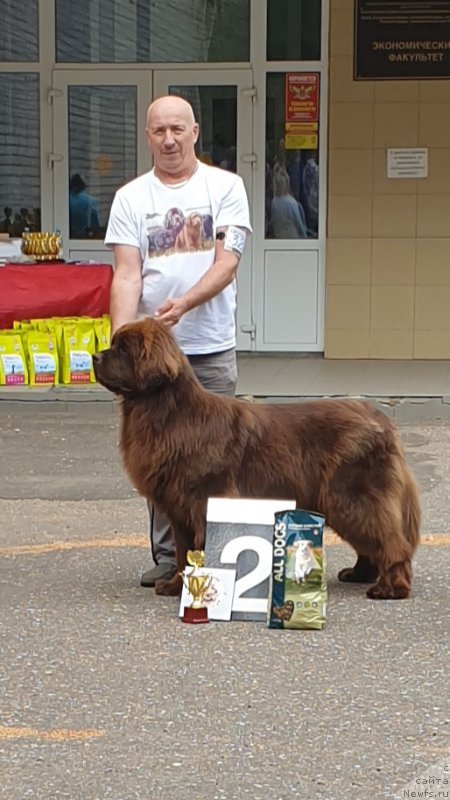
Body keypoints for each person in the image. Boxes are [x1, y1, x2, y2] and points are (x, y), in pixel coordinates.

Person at [104, 95, 252, 588]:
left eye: (177, 129)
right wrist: (122, 342)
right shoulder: (130, 198)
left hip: (209, 346)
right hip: (151, 363)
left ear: (194, 132)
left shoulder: (226, 187)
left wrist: (186, 303)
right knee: (158, 459)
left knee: (216, 464)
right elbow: (127, 274)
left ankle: (220, 561)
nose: (169, 140)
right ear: (148, 136)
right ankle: (172, 559)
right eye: (159, 131)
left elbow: (228, 262)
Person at [69, 173, 100, 238]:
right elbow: (95, 226)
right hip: (85, 237)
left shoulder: (64, 201)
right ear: (83, 186)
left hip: (69, 236)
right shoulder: (90, 201)